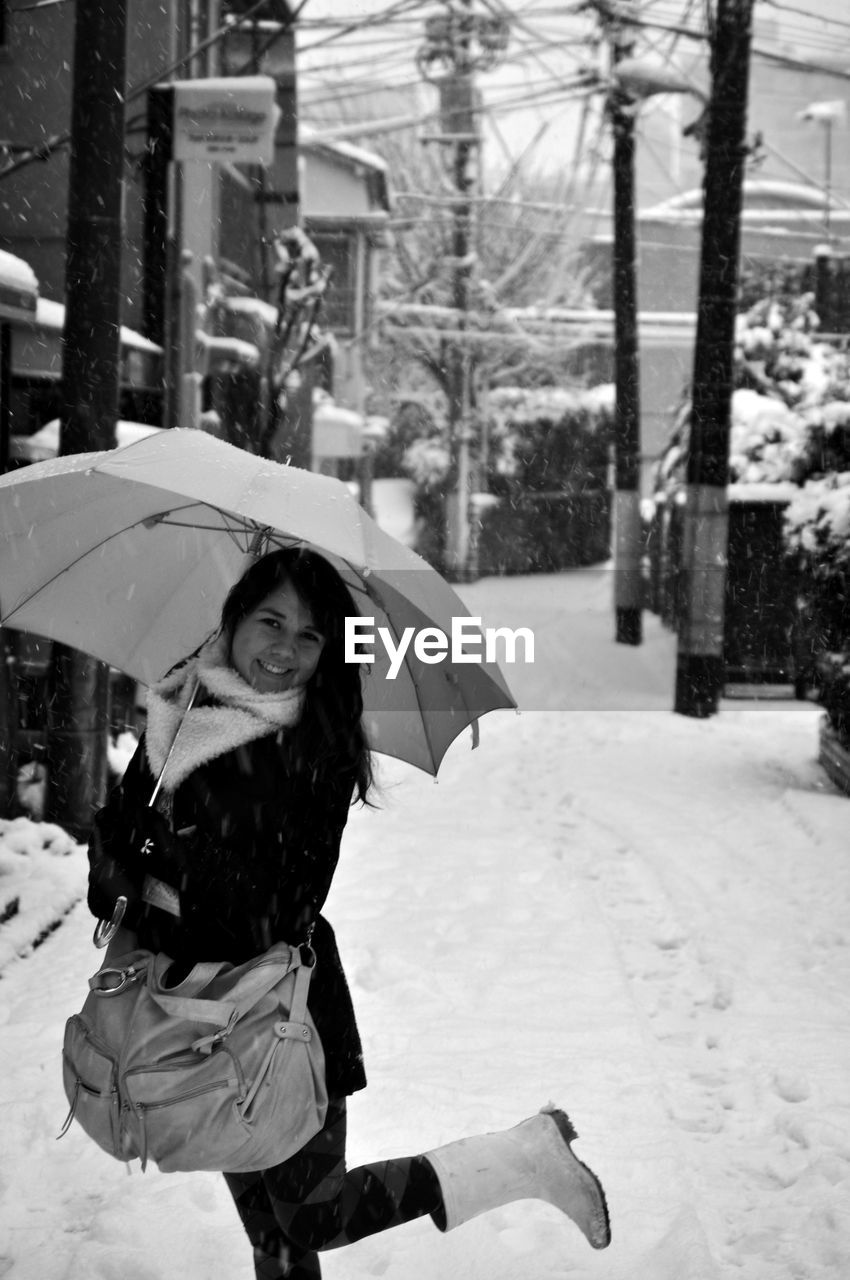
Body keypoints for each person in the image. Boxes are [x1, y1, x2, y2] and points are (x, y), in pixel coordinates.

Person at [87, 547, 611, 1279]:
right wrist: (118, 858)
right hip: (193, 1020)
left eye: (309, 636)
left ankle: (521, 1157)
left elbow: (272, 906)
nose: (285, 649)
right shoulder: (180, 718)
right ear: (233, 621)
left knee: (314, 1214)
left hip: (283, 1018)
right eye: (271, 621)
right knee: (273, 1235)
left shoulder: (316, 746)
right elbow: (124, 870)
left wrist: (166, 856)